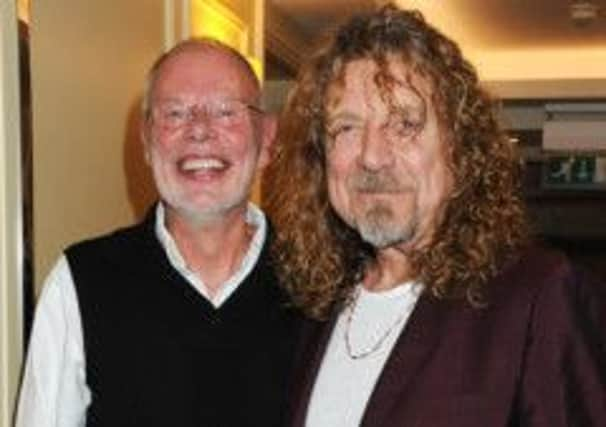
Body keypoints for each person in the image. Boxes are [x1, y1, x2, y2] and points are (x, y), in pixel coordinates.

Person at [264, 4, 606, 426]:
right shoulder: (311, 309)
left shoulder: (536, 297)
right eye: (347, 127)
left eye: (404, 123)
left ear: (458, 149)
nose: (372, 156)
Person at [16, 38, 299, 427]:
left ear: (266, 139)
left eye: (225, 112)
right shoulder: (81, 283)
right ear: (147, 142)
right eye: (175, 113)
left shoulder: (316, 285)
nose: (199, 131)